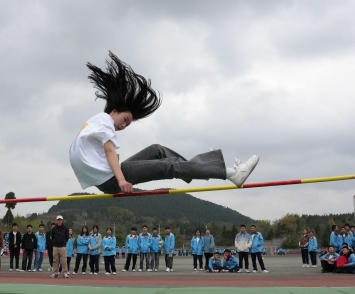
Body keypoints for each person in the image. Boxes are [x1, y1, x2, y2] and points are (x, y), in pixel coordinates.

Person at [69, 52, 259, 196]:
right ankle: (233, 173)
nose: (124, 126)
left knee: (157, 150)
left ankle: (193, 170)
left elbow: (96, 155)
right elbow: (109, 151)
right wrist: (121, 180)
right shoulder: (104, 119)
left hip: (106, 176)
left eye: (128, 124)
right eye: (125, 120)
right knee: (170, 165)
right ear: (114, 111)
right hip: (110, 180)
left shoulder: (92, 124)